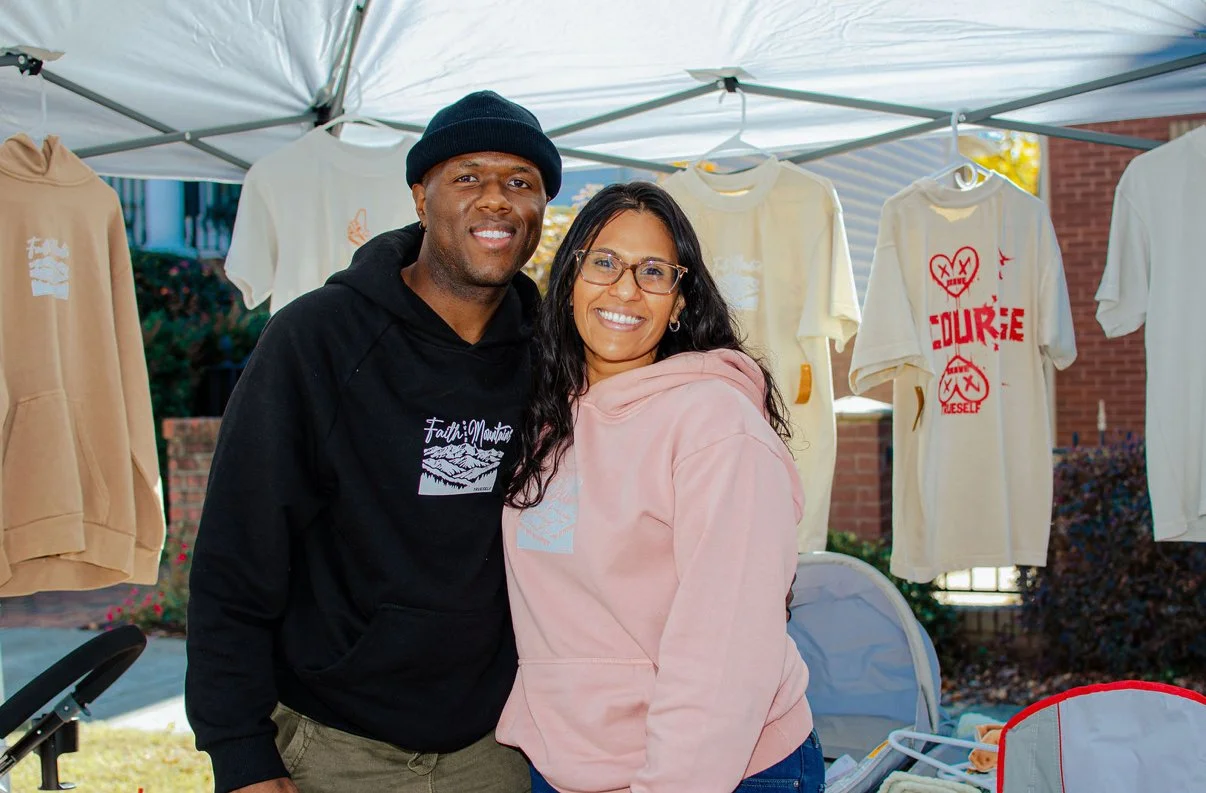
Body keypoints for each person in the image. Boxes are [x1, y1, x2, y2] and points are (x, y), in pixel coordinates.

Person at [184, 91, 561, 793]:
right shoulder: (316, 339)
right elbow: (236, 557)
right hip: (335, 747)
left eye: (521, 182)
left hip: (498, 747)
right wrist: (239, 751)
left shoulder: (551, 361)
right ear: (420, 196)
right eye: (468, 176)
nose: (497, 201)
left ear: (543, 207)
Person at [498, 182, 824, 793]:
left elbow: (725, 649)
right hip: (566, 766)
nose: (625, 289)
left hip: (711, 770)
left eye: (654, 272)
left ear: (679, 302)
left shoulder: (715, 424)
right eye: (604, 263)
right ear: (569, 278)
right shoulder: (548, 420)